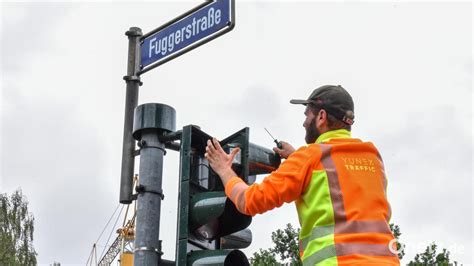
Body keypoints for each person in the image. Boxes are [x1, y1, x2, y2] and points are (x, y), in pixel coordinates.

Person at [205, 85, 400, 265]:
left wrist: (224, 170)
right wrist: (296, 157)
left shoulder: (309, 158)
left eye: (307, 115)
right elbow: (340, 173)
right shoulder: (372, 157)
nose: (304, 123)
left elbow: (249, 201)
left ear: (321, 116)